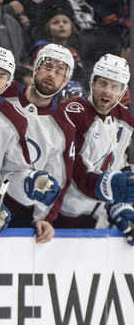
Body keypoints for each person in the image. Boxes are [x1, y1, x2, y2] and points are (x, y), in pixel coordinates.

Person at [0, 45, 62, 240]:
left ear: (8, 82)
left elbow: (13, 172)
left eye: (2, 76)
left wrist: (29, 181)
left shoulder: (14, 119)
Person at [0, 43, 77, 243]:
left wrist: (44, 218)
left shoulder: (64, 128)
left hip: (19, 213)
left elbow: (59, 179)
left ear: (66, 80)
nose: (51, 74)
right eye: (47, 67)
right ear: (35, 68)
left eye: (59, 71)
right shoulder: (4, 93)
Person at [55, 54, 134, 232]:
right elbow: (72, 170)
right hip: (62, 214)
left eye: (115, 86)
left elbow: (119, 164)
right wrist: (112, 185)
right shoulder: (72, 112)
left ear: (122, 92)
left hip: (99, 217)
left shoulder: (125, 119)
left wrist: (121, 205)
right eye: (103, 83)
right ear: (92, 83)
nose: (107, 91)